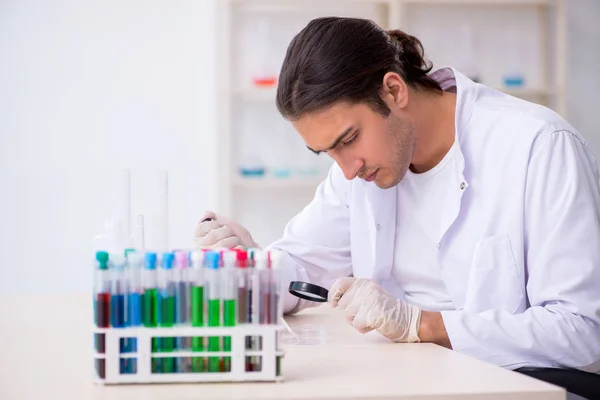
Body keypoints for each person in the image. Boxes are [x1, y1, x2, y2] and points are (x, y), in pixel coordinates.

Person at [195, 17, 600, 373]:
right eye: (328, 152)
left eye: (349, 139)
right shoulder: (359, 170)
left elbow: (581, 328)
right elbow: (302, 266)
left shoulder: (539, 146)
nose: (347, 168)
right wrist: (252, 266)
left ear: (393, 90)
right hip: (407, 376)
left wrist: (419, 323)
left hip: (516, 383)